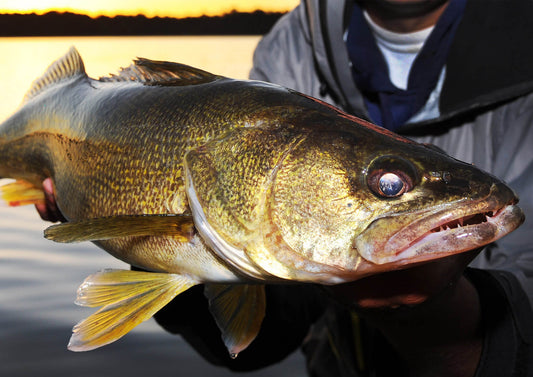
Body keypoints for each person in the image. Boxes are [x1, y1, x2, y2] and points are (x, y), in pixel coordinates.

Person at [36, 0, 533, 376]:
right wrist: (173, 260)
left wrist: (443, 317)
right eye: (388, 184)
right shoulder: (291, 45)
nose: (389, 189)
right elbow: (265, 338)